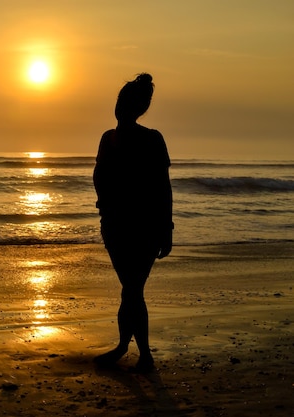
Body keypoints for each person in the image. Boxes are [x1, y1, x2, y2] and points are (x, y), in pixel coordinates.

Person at [92, 73, 173, 373]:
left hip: (144, 227)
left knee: (133, 288)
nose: (120, 107)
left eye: (125, 102)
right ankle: (129, 348)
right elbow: (100, 178)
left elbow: (163, 188)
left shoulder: (153, 139)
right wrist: (104, 206)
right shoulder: (107, 138)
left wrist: (167, 229)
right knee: (130, 288)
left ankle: (139, 353)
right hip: (114, 226)